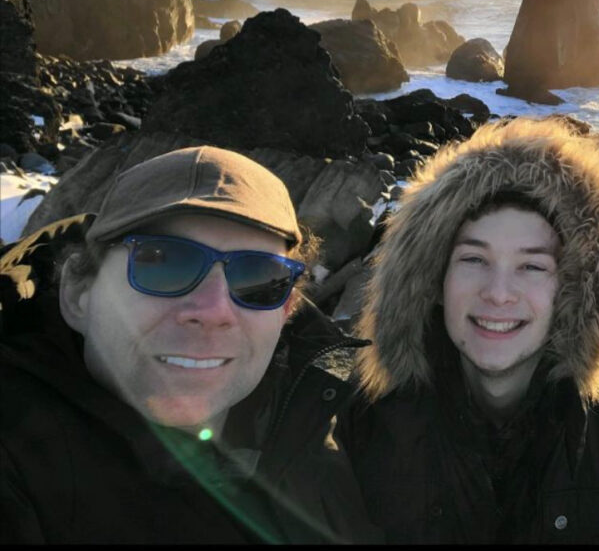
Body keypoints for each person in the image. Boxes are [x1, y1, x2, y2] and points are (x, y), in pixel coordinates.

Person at [339, 117, 599, 543]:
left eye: (531, 266)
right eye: (474, 260)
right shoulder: (368, 416)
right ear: (433, 280)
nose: (498, 293)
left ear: (573, 289)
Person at [0, 146, 377, 544]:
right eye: (161, 261)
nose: (214, 310)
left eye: (259, 278)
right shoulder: (17, 451)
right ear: (78, 291)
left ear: (287, 312)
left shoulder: (333, 426)